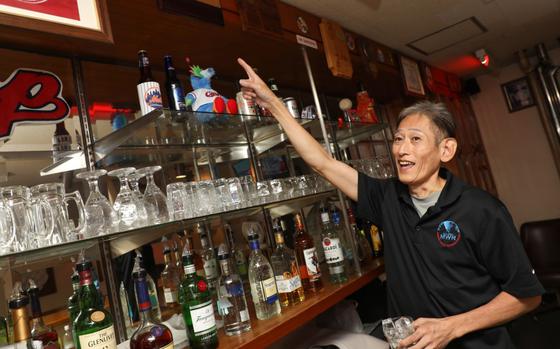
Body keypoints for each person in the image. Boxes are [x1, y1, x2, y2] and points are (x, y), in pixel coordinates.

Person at [237, 58, 544, 349]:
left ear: (446, 150)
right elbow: (323, 163)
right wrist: (273, 104)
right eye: (398, 139)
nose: (402, 149)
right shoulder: (387, 197)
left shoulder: (482, 210)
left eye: (415, 139)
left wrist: (452, 326)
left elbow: (527, 296)